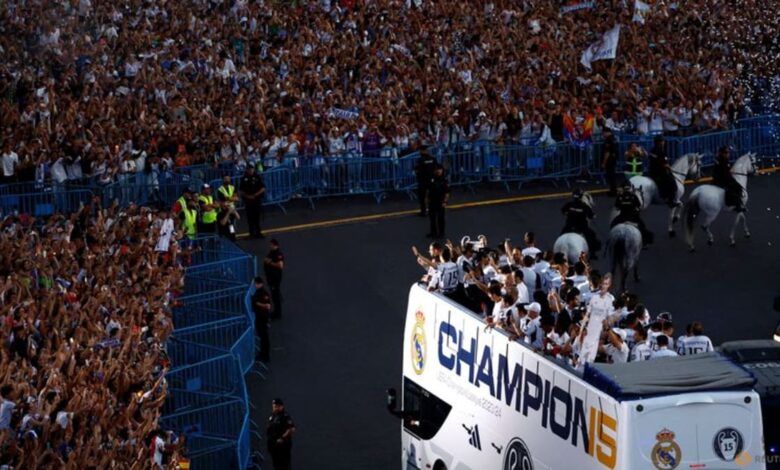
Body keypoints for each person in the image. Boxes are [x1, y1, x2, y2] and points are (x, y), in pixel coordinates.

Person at [611, 181, 654, 247]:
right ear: (630, 188)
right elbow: (638, 206)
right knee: (642, 227)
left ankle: (612, 241)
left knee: (612, 225)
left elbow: (617, 207)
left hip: (622, 216)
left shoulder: (620, 197)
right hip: (633, 216)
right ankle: (644, 243)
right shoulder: (633, 196)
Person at [560, 188, 601, 257]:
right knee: (591, 235)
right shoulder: (584, 206)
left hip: (570, 225)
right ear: (581, 196)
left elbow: (563, 211)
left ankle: (560, 252)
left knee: (561, 236)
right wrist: (594, 216)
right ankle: (593, 253)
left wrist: (568, 213)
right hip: (581, 227)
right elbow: (591, 216)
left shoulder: (569, 204)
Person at [712, 147, 744, 211]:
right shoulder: (724, 160)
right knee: (739, 188)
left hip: (716, 179)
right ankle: (737, 206)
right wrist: (733, 180)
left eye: (728, 153)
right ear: (723, 153)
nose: (728, 154)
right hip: (723, 179)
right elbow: (726, 174)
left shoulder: (718, 159)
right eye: (726, 153)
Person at [267, 398, 296, 470]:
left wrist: (282, 438)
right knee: (276, 464)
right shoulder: (272, 415)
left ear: (281, 406)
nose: (274, 408)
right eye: (273, 406)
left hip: (283, 446)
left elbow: (292, 429)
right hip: (273, 445)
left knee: (284, 465)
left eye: (276, 406)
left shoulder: (285, 417)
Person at [648, 136, 676, 206]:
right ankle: (671, 200)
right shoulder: (660, 151)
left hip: (652, 171)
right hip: (659, 172)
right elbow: (664, 164)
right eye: (663, 141)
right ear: (659, 142)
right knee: (672, 183)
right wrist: (670, 167)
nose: (664, 142)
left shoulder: (652, 150)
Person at [240, 165, 266, 238]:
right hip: (248, 200)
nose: (251, 170)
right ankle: (251, 233)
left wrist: (256, 194)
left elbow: (263, 188)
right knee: (250, 217)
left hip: (257, 199)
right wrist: (248, 196)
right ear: (247, 170)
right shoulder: (244, 178)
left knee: (257, 217)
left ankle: (258, 232)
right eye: (249, 169)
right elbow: (241, 190)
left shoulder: (258, 177)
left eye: (252, 169)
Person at [252, 276, 272, 362]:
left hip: (263, 317)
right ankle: (263, 353)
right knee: (262, 336)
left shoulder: (263, 293)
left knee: (264, 337)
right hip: (260, 317)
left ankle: (265, 355)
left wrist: (257, 303)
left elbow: (267, 306)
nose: (255, 285)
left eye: (256, 283)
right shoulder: (258, 292)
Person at [264, 239, 285, 320]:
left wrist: (269, 263)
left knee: (275, 296)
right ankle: (276, 311)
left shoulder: (278, 254)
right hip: (271, 278)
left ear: (276, 245)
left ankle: (277, 313)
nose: (270, 246)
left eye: (272, 245)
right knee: (274, 295)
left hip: (275, 278)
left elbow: (280, 266)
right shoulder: (272, 253)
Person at [427, 164, 449, 239]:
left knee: (440, 218)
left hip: (440, 201)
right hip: (432, 201)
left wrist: (445, 202)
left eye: (440, 169)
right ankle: (433, 232)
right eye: (437, 169)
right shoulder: (431, 179)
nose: (438, 171)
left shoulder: (444, 180)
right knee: (432, 218)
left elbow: (447, 192)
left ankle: (441, 233)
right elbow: (429, 190)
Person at [414, 150, 437, 216]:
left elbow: (417, 169)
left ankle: (423, 211)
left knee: (422, 196)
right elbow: (436, 168)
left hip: (423, 180)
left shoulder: (420, 160)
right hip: (431, 179)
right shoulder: (433, 159)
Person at [602, 131, 618, 196]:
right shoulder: (613, 138)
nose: (603, 135)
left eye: (603, 133)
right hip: (613, 159)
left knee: (610, 176)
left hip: (609, 160)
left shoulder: (608, 140)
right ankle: (613, 190)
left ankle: (613, 191)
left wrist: (604, 162)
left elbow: (607, 152)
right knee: (612, 176)